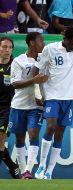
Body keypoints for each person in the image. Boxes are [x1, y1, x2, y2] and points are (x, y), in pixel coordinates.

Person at [34, 11, 73, 180]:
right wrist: (37, 91)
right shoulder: (50, 49)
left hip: (69, 98)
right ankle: (40, 167)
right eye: (71, 42)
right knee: (51, 127)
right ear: (65, 39)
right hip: (52, 95)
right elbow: (37, 70)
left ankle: (49, 171)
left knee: (60, 134)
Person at [8, 32, 48, 179]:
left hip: (36, 106)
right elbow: (15, 84)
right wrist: (34, 80)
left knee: (33, 134)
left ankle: (28, 171)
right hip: (19, 105)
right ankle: (23, 170)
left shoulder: (45, 60)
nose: (43, 44)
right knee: (19, 139)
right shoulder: (19, 61)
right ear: (32, 43)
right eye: (40, 41)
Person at [0, 37, 21, 179]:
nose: (7, 50)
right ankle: (14, 168)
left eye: (9, 48)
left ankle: (14, 169)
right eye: (4, 47)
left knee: (0, 142)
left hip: (8, 109)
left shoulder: (15, 66)